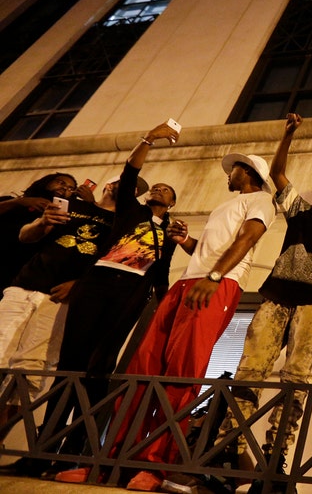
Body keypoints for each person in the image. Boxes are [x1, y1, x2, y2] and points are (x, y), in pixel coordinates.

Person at [65, 149, 277, 491]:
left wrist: (215, 276)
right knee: (143, 368)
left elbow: (248, 239)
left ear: (246, 171)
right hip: (187, 283)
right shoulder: (226, 206)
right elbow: (208, 249)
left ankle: (155, 466)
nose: (228, 174)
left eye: (233, 168)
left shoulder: (262, 200)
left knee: (182, 373)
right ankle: (108, 462)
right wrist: (187, 241)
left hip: (219, 284)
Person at [186, 113, 312, 494]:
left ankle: (275, 457)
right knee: (250, 370)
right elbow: (279, 174)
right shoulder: (301, 211)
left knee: (295, 378)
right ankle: (228, 451)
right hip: (278, 295)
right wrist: (287, 136)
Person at [28, 123, 180, 480]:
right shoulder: (131, 211)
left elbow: (162, 274)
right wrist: (148, 139)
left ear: (172, 203)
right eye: (156, 187)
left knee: (100, 369)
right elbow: (130, 174)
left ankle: (75, 455)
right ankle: (42, 451)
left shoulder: (171, 231)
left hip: (129, 296)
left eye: (166, 190)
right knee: (70, 364)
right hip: (96, 284)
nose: (158, 189)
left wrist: (165, 307)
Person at [0, 175, 120, 439]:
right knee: (1, 352)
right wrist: (42, 223)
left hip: (60, 300)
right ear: (108, 185)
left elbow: (114, 267)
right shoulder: (69, 205)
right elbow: (25, 235)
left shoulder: (121, 224)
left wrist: (79, 284)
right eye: (123, 182)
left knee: (30, 369)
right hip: (25, 286)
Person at [0, 172, 78, 298]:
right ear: (47, 182)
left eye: (70, 188)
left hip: (19, 273)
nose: (64, 188)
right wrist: (20, 202)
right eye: (61, 182)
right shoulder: (13, 201)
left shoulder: (61, 216)